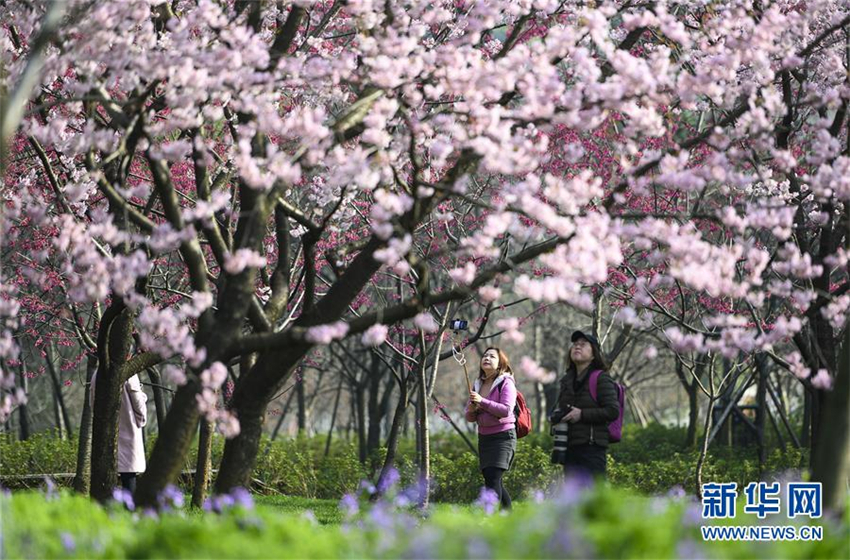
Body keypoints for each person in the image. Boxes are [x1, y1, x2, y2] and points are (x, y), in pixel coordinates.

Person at [552, 330, 619, 479]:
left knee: (595, 499)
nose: (577, 347)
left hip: (592, 448)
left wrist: (581, 414)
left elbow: (613, 411)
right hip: (569, 447)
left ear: (594, 354)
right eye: (575, 344)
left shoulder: (601, 378)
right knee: (574, 500)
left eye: (583, 345)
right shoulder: (567, 380)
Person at [465, 347, 517, 510]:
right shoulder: (477, 384)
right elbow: (469, 416)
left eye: (492, 356)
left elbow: (506, 410)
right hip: (485, 437)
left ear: (501, 363)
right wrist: (472, 409)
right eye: (485, 355)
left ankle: (489, 519)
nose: (487, 358)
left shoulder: (506, 382)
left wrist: (482, 401)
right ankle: (507, 516)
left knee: (493, 478)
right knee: (491, 479)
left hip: (503, 436)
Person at [90, 373, 148, 492]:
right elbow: (139, 405)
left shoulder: (97, 375)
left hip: (105, 431)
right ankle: (129, 508)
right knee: (129, 474)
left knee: (107, 476)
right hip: (128, 429)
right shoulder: (130, 374)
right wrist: (143, 399)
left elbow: (93, 404)